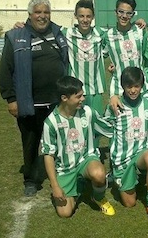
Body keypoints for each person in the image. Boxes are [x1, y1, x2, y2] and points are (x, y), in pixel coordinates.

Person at [0, 0, 68, 197]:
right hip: (30, 103)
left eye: (46, 12)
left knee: (59, 140)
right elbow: (5, 70)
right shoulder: (16, 36)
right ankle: (30, 179)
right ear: (29, 15)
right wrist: (11, 99)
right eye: (37, 12)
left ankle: (62, 174)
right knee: (30, 141)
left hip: (57, 102)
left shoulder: (58, 33)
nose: (42, 16)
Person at [41, 76, 115, 218]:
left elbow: (108, 126)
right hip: (65, 169)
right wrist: (55, 186)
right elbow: (48, 155)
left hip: (86, 160)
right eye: (78, 96)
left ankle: (98, 197)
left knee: (99, 174)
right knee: (65, 213)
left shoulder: (87, 112)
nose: (83, 99)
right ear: (64, 98)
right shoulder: (50, 123)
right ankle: (79, 185)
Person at [103, 67, 148, 223]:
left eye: (136, 86)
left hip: (141, 153)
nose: (133, 90)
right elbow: (105, 129)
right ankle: (126, 178)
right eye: (129, 86)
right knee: (130, 203)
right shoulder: (114, 106)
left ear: (142, 85)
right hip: (122, 160)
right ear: (123, 86)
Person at [62, 0, 108, 114]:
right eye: (81, 16)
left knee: (95, 124)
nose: (85, 20)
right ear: (76, 16)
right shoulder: (67, 33)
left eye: (88, 16)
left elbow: (120, 33)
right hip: (74, 91)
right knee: (76, 125)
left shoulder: (101, 33)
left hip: (96, 90)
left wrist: (137, 24)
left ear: (93, 17)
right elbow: (47, 26)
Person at [106, 0, 145, 114]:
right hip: (119, 88)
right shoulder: (107, 35)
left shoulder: (140, 30)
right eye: (121, 12)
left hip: (140, 87)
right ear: (116, 12)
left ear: (133, 14)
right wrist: (111, 68)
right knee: (119, 124)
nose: (124, 16)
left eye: (129, 13)